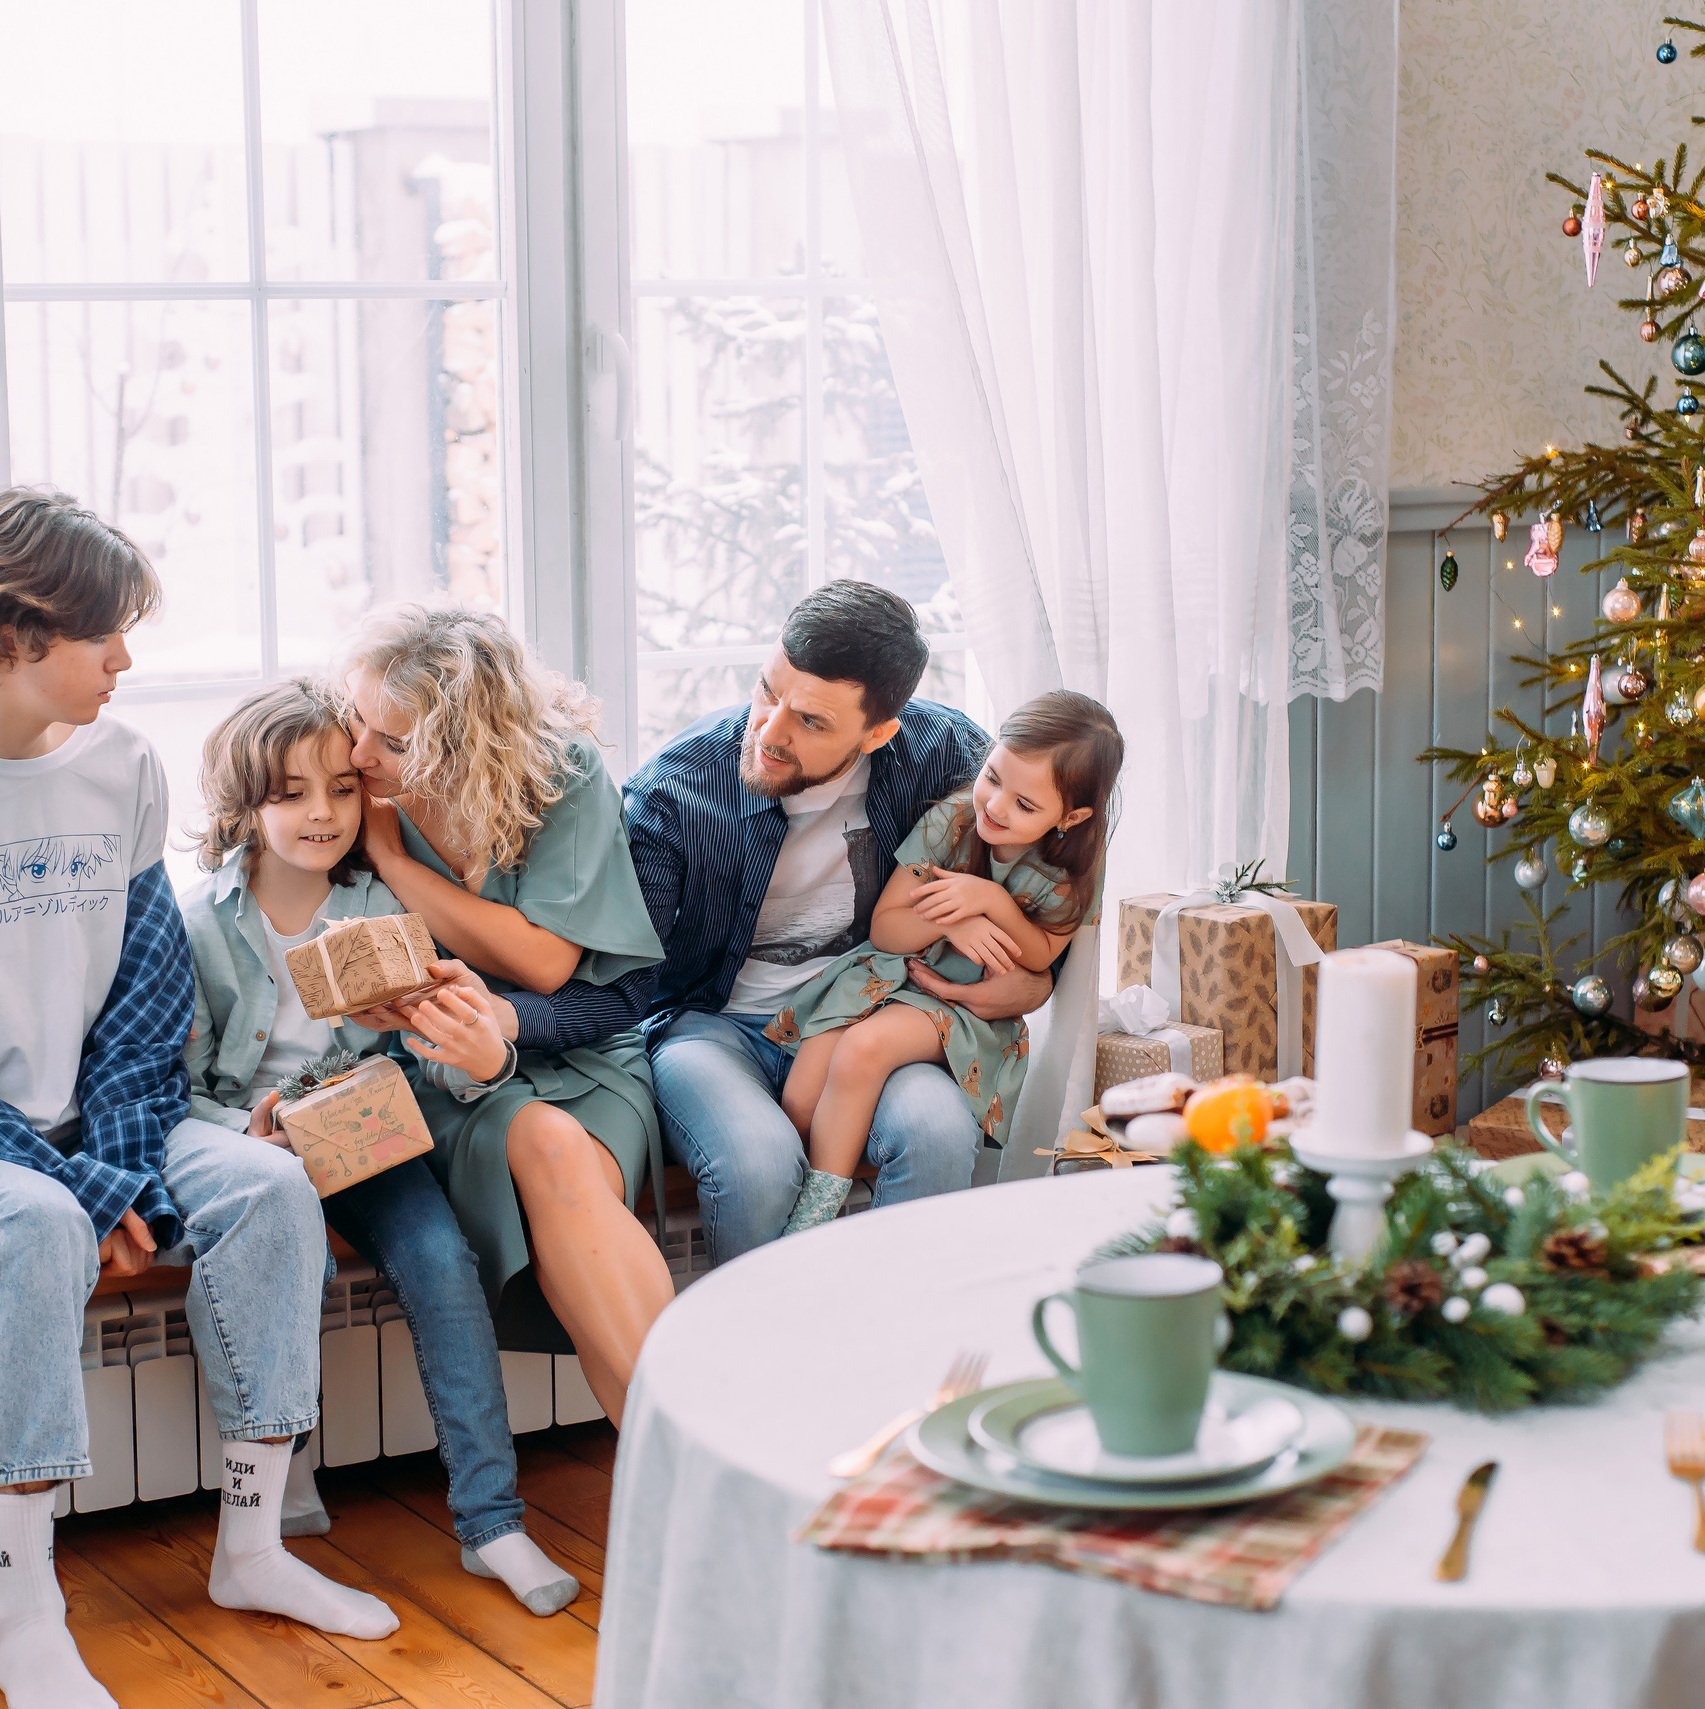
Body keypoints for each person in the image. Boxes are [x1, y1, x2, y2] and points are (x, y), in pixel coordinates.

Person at [0, 490, 396, 1709]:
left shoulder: (122, 765)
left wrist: (107, 1158)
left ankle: (254, 1545)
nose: (126, 659)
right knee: (33, 1222)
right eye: (104, 633)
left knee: (265, 1182)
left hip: (107, 1122)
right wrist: (79, 1186)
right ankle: (29, 1609)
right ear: (13, 633)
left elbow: (143, 1001)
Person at [493, 579, 1057, 1265]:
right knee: (757, 1163)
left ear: (879, 732)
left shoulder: (947, 758)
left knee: (938, 1129)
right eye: (767, 691)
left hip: (868, 1018)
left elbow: (1052, 864)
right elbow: (625, 983)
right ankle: (774, 1365)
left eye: (812, 722)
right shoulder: (676, 790)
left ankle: (903, 1353)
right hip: (712, 1027)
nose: (769, 731)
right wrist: (505, 1018)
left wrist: (1014, 959)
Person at [176, 678, 579, 1616]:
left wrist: (462, 1054)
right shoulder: (200, 923)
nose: (322, 812)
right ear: (246, 805)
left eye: (341, 789)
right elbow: (172, 1092)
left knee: (442, 1259)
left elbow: (441, 1064)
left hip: (372, 1138)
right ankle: (287, 1476)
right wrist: (250, 1131)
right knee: (281, 1255)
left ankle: (492, 1520)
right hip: (258, 1149)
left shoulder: (383, 909)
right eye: (290, 792)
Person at [342, 606, 675, 1425]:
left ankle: (672, 1457)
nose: (359, 755)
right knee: (546, 1146)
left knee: (562, 1162)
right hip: (442, 1062)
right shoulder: (357, 775)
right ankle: (691, 1448)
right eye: (357, 722)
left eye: (392, 740)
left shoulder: (560, 772)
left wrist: (392, 859)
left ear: (460, 744)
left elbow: (546, 961)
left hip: (580, 1052)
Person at [771, 691, 1123, 1232]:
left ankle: (815, 1224)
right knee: (802, 1088)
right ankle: (797, 1199)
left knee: (863, 1050)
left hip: (958, 1007)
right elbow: (887, 929)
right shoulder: (952, 820)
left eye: (1025, 805)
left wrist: (993, 901)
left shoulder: (1069, 871)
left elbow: (1039, 958)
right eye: (993, 777)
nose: (996, 806)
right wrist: (951, 918)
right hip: (888, 974)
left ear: (1071, 816)